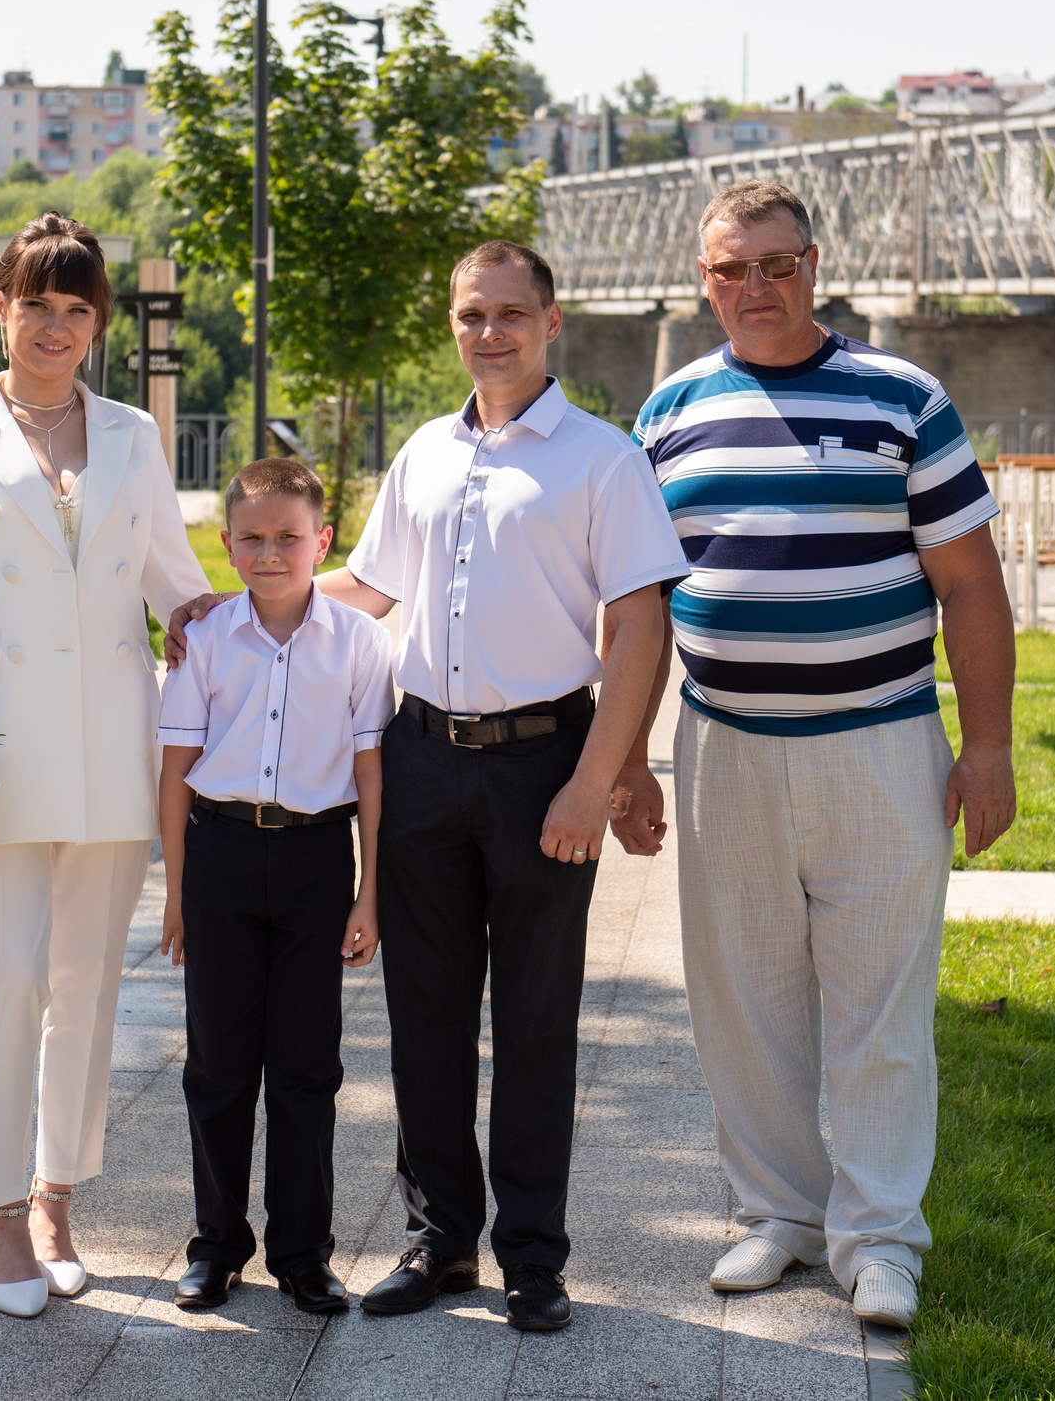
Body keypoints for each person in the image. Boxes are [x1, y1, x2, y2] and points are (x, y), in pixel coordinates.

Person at [170, 239, 687, 1333]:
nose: (487, 331)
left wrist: (596, 780)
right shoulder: (424, 453)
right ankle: (442, 1239)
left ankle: (533, 1257)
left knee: (537, 1016)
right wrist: (232, 600)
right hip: (417, 759)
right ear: (450, 323)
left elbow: (641, 622)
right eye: (468, 313)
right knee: (426, 1016)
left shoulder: (602, 458)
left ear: (551, 321)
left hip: (546, 758)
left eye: (508, 311)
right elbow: (361, 587)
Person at [626, 178, 1016, 1329]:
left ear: (814, 265)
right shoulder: (669, 411)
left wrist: (987, 746)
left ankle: (880, 1236)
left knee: (879, 1001)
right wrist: (621, 767)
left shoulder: (904, 396)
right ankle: (777, 1216)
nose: (755, 287)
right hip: (723, 747)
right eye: (729, 269)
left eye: (776, 264)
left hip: (881, 741)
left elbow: (971, 586)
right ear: (704, 280)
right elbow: (642, 608)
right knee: (740, 996)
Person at [0, 212, 212, 1320]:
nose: (55, 326)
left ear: (97, 322)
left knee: (86, 981)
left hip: (113, 746)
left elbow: (175, 579)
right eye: (37, 304)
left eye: (77, 309)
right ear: (1, 306)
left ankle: (56, 1194)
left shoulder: (132, 434)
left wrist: (284, 631)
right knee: (4, 976)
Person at [154, 458, 394, 1317]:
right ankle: (216, 1244)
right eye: (251, 538)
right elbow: (177, 769)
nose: (270, 552)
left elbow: (371, 772)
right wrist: (177, 893)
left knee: (305, 1065)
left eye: (289, 537)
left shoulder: (361, 642)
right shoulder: (205, 639)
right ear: (226, 544)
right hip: (218, 856)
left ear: (322, 541)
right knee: (217, 1062)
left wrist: (369, 895)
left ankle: (303, 1252)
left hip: (316, 861)